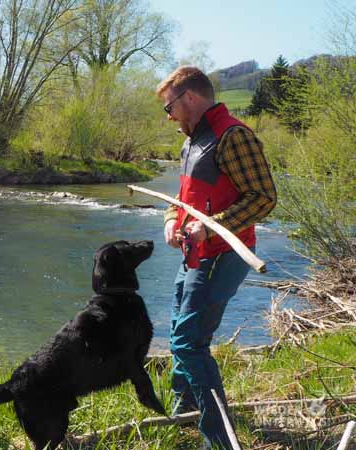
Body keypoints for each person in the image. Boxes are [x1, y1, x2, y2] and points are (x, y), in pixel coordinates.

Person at [156, 66, 277, 449]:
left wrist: (210, 226)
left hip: (224, 254)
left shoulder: (233, 136)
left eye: (169, 107)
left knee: (188, 342)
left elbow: (263, 198)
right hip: (195, 255)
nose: (169, 115)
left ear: (189, 98)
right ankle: (184, 409)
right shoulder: (191, 141)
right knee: (181, 326)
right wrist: (172, 220)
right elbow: (182, 199)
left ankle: (221, 438)